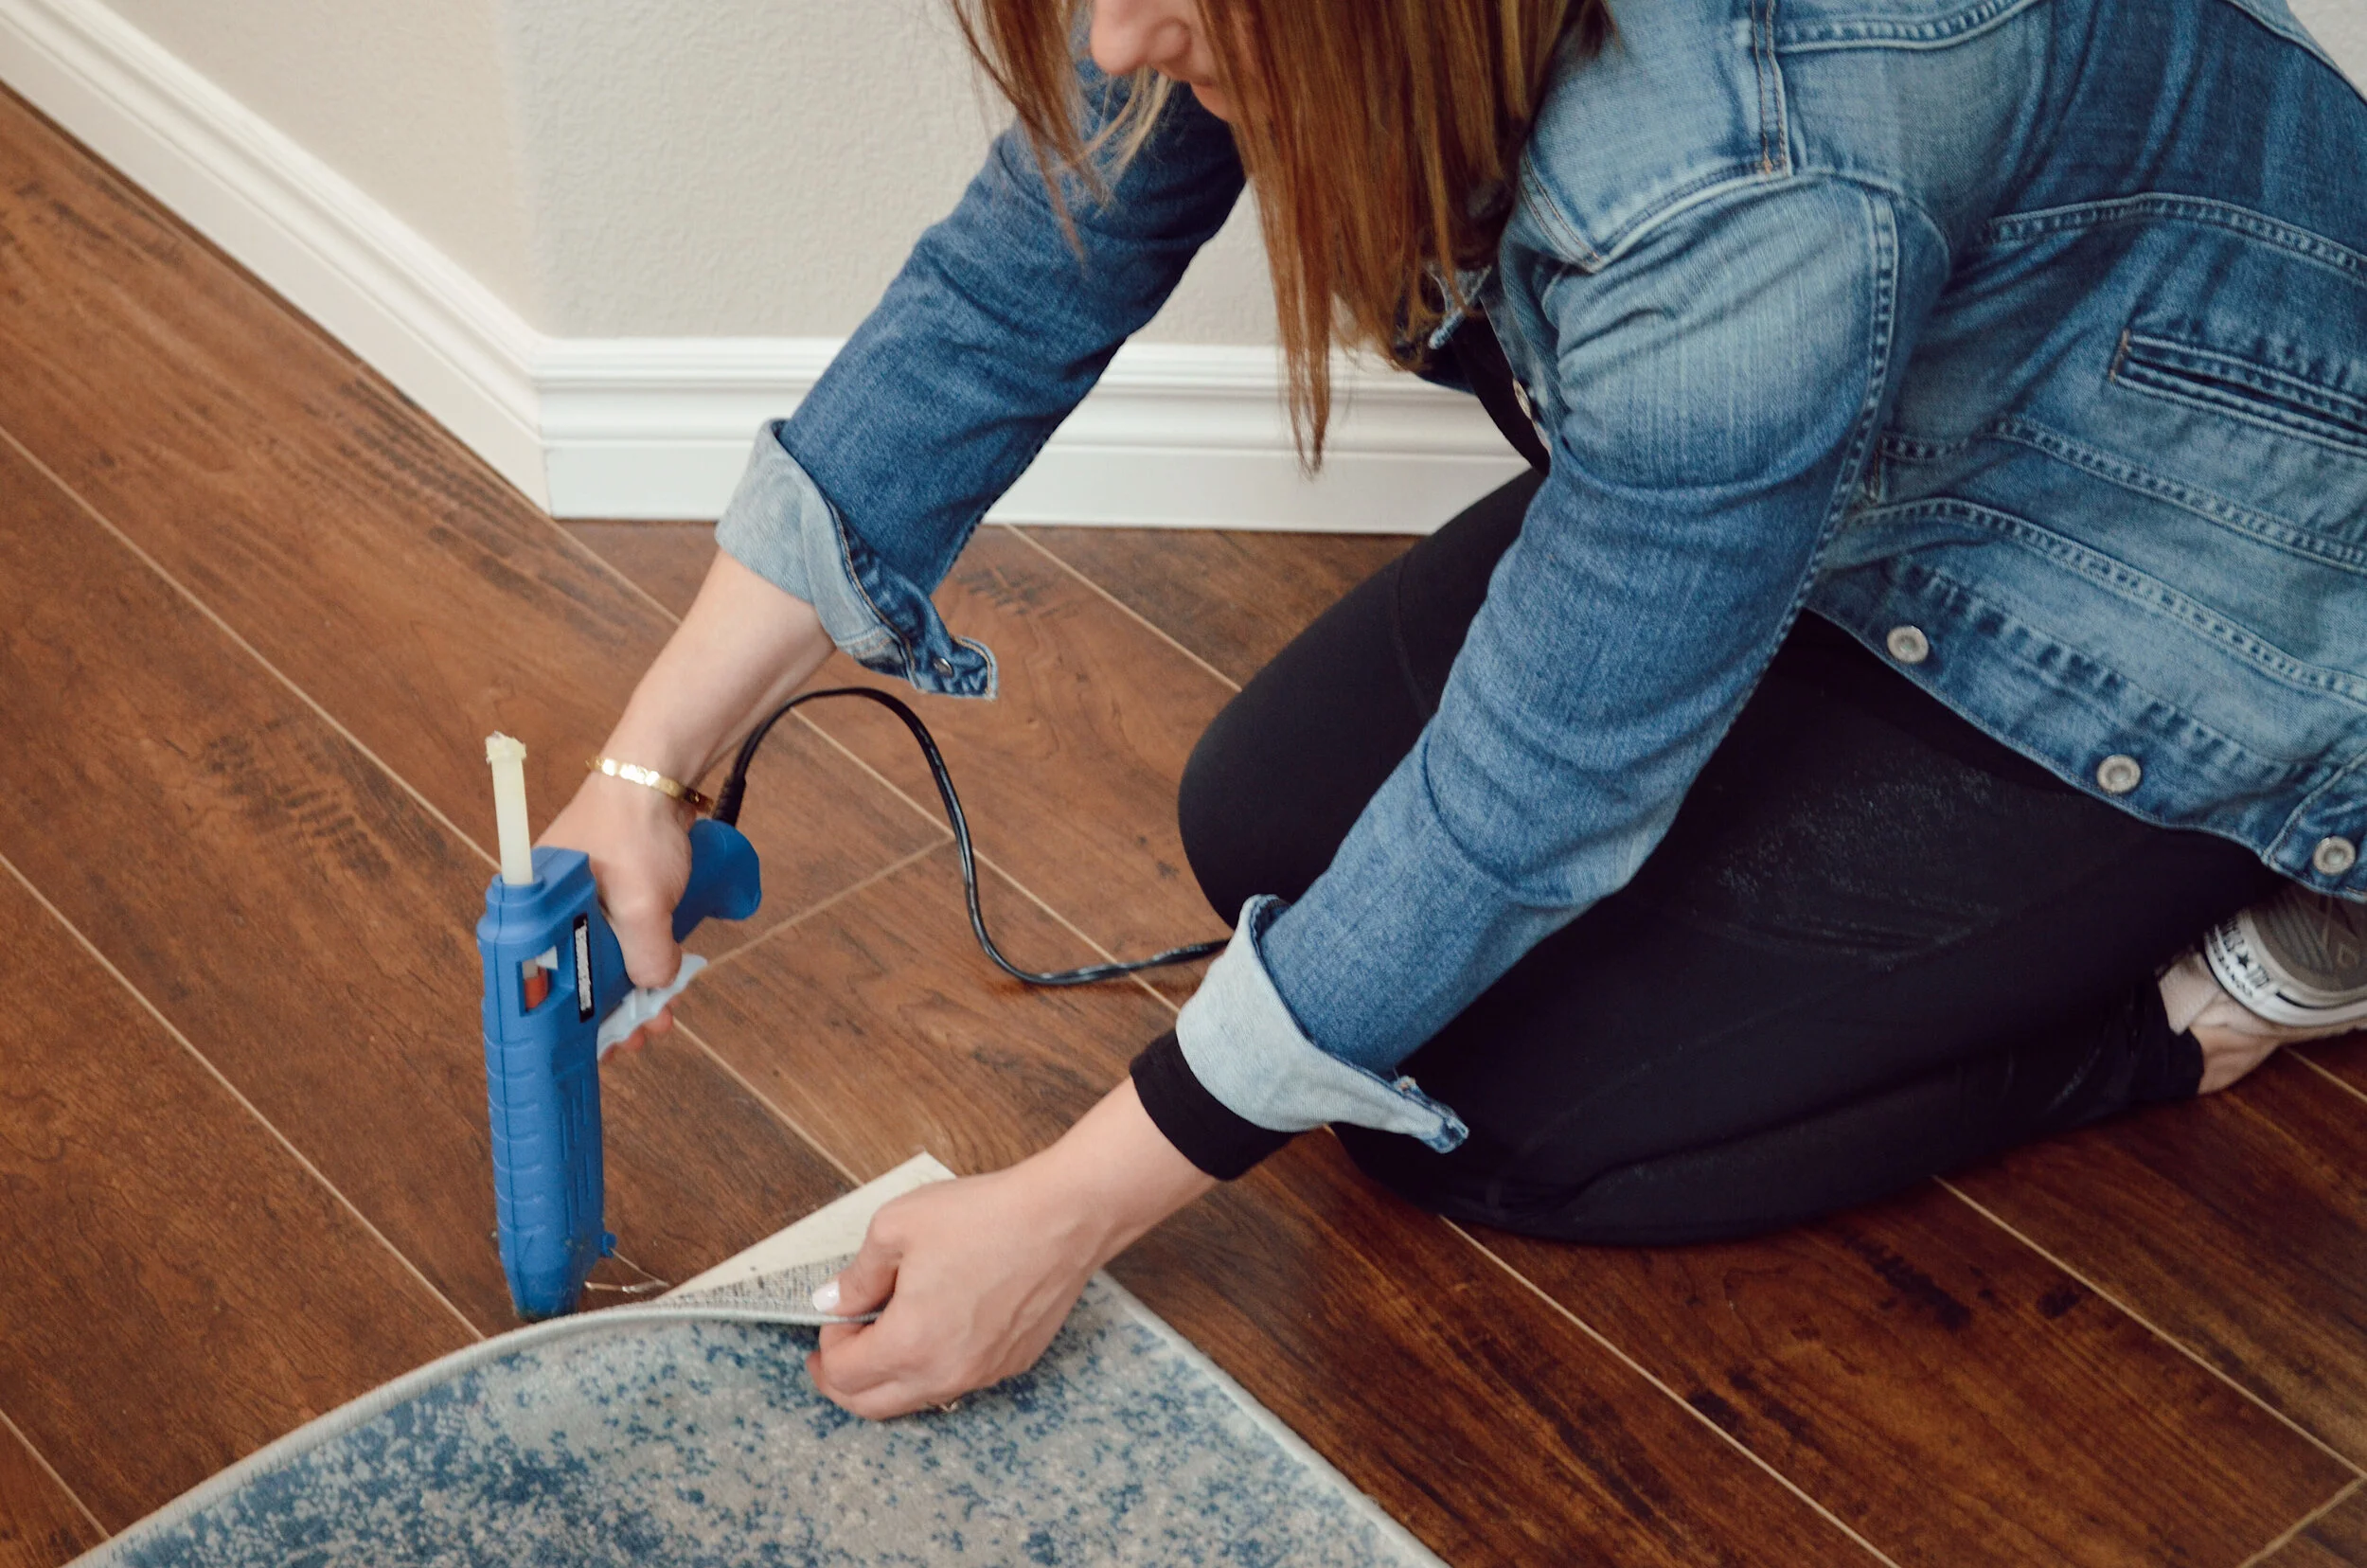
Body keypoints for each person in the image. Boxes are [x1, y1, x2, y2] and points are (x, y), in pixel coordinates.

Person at [543, 0, 2367, 1417]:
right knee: (1264, 826)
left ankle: (2220, 989)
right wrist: (649, 755)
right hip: (1866, 475)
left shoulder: (1742, 178)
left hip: (2194, 613)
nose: (1112, 43)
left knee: (1508, 1119)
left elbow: (1532, 796)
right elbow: (1015, 280)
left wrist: (1060, 1222)